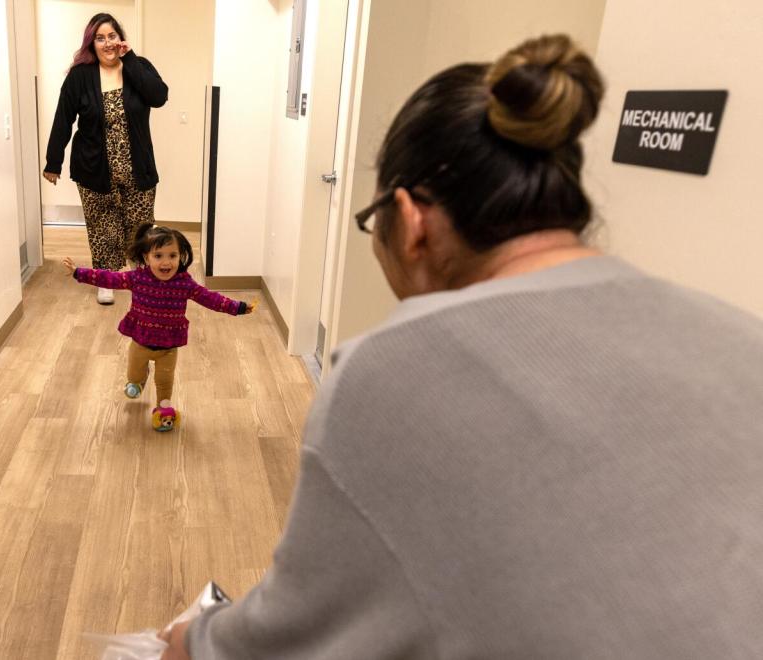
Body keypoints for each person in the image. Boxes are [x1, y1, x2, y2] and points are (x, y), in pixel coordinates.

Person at [160, 34, 763, 658]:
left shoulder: (394, 371)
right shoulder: (740, 333)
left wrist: (192, 640)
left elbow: (288, 632)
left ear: (411, 220)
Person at [63, 224, 255, 431]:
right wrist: (78, 272)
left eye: (172, 255)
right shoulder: (136, 278)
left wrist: (238, 307)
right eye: (158, 256)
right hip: (140, 341)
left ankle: (164, 409)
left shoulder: (185, 283)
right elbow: (109, 278)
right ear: (146, 258)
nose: (166, 262)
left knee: (165, 380)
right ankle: (138, 381)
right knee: (134, 377)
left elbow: (210, 298)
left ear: (180, 257)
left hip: (168, 347)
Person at [44, 12, 168, 305]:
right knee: (102, 225)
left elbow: (159, 96)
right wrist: (53, 161)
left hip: (137, 166)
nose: (107, 43)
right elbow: (63, 118)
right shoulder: (80, 76)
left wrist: (132, 58)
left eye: (112, 36)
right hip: (93, 167)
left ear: (120, 38)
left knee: (140, 225)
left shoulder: (138, 67)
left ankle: (140, 277)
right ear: (92, 43)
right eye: (100, 38)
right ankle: (106, 279)